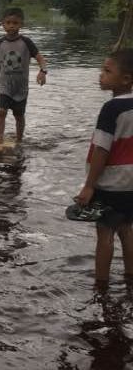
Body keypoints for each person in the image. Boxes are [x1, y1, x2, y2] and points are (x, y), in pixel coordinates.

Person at [74, 49, 133, 288]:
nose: (101, 75)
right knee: (127, 229)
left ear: (126, 79)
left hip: (110, 183)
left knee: (105, 233)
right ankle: (130, 279)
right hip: (131, 183)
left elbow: (101, 149)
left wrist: (89, 185)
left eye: (107, 71)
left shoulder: (111, 109)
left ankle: (101, 286)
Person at [0, 7, 47, 145]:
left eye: (15, 23)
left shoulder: (26, 42)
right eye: (8, 22)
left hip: (20, 88)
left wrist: (43, 71)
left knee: (18, 116)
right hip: (4, 86)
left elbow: (40, 58)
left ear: (21, 24)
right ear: (3, 24)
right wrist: (1, 79)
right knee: (1, 112)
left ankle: (19, 140)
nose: (11, 26)